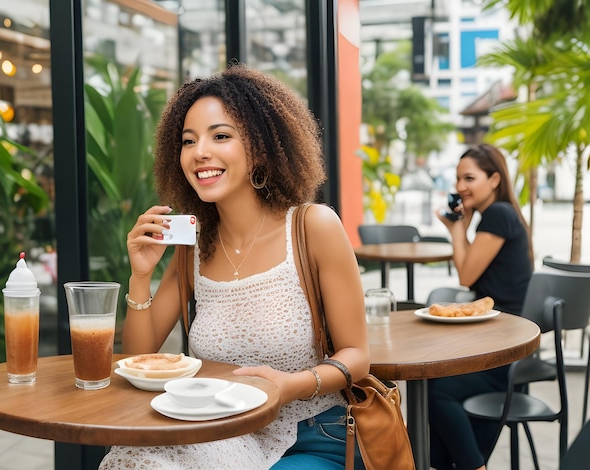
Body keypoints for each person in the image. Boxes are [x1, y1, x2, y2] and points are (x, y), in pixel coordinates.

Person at [99, 64, 369, 469]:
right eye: (188, 141)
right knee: (129, 458)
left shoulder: (312, 226)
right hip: (218, 429)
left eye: (220, 136)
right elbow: (138, 359)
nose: (200, 152)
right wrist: (140, 276)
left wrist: (289, 386)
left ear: (261, 146)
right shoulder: (193, 248)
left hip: (311, 434)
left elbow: (358, 356)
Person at [428, 143, 534, 470]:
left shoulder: (499, 215)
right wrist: (461, 228)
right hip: (497, 342)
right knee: (437, 445)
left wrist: (458, 229)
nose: (460, 186)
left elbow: (465, 275)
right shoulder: (496, 216)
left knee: (437, 391)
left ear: (494, 180)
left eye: (469, 178)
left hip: (504, 352)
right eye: (458, 178)